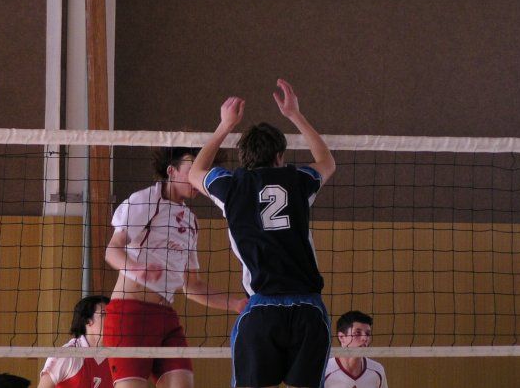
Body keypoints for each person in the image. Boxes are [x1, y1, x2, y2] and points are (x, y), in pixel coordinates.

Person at [189, 78, 337, 388]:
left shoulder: (230, 186)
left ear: (243, 156)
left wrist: (224, 125)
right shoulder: (298, 180)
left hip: (261, 309)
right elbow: (327, 162)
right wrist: (295, 114)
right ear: (280, 156)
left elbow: (194, 173)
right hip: (308, 309)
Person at [104, 146, 247, 388]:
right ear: (171, 171)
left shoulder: (191, 221)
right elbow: (112, 249)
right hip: (129, 314)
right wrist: (137, 269)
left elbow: (192, 286)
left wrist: (235, 304)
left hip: (165, 316)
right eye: (192, 168)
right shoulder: (146, 200)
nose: (198, 176)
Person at [38, 295, 112, 388]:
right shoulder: (67, 355)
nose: (111, 319)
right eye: (104, 314)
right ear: (88, 320)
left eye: (112, 315)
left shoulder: (116, 356)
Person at [324, 311, 388, 388]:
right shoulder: (324, 371)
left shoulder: (377, 370)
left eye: (367, 334)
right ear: (341, 337)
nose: (365, 338)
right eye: (358, 333)